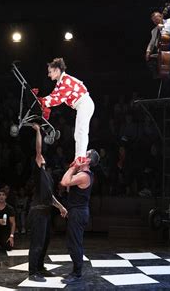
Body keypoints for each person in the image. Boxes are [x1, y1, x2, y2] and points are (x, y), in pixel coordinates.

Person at [35, 58, 95, 167]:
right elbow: (53, 96)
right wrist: (40, 101)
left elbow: (58, 99)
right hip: (82, 105)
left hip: (85, 103)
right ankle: (78, 157)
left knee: (81, 130)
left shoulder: (66, 81)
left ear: (57, 70)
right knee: (78, 132)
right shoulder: (60, 83)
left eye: (50, 72)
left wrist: (41, 102)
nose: (48, 75)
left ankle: (80, 157)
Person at [28, 123, 68, 282]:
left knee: (45, 242)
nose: (41, 156)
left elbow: (50, 197)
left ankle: (40, 267)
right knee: (37, 242)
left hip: (45, 212)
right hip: (37, 212)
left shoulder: (48, 177)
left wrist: (61, 207)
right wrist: (38, 131)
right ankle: (32, 272)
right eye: (40, 157)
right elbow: (38, 149)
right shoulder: (38, 172)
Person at [59, 149, 99, 285]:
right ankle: (75, 270)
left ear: (87, 160)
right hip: (76, 211)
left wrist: (74, 167)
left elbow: (64, 182)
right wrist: (74, 168)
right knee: (73, 242)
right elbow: (68, 185)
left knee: (75, 243)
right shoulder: (83, 174)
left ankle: (77, 272)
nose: (81, 155)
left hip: (79, 212)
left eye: (85, 154)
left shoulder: (85, 175)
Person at [145, 11, 170, 97]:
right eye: (153, 21)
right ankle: (159, 78)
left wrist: (164, 27)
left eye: (156, 19)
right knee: (151, 60)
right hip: (164, 52)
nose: (155, 22)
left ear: (161, 17)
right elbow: (152, 43)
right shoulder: (154, 30)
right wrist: (148, 51)